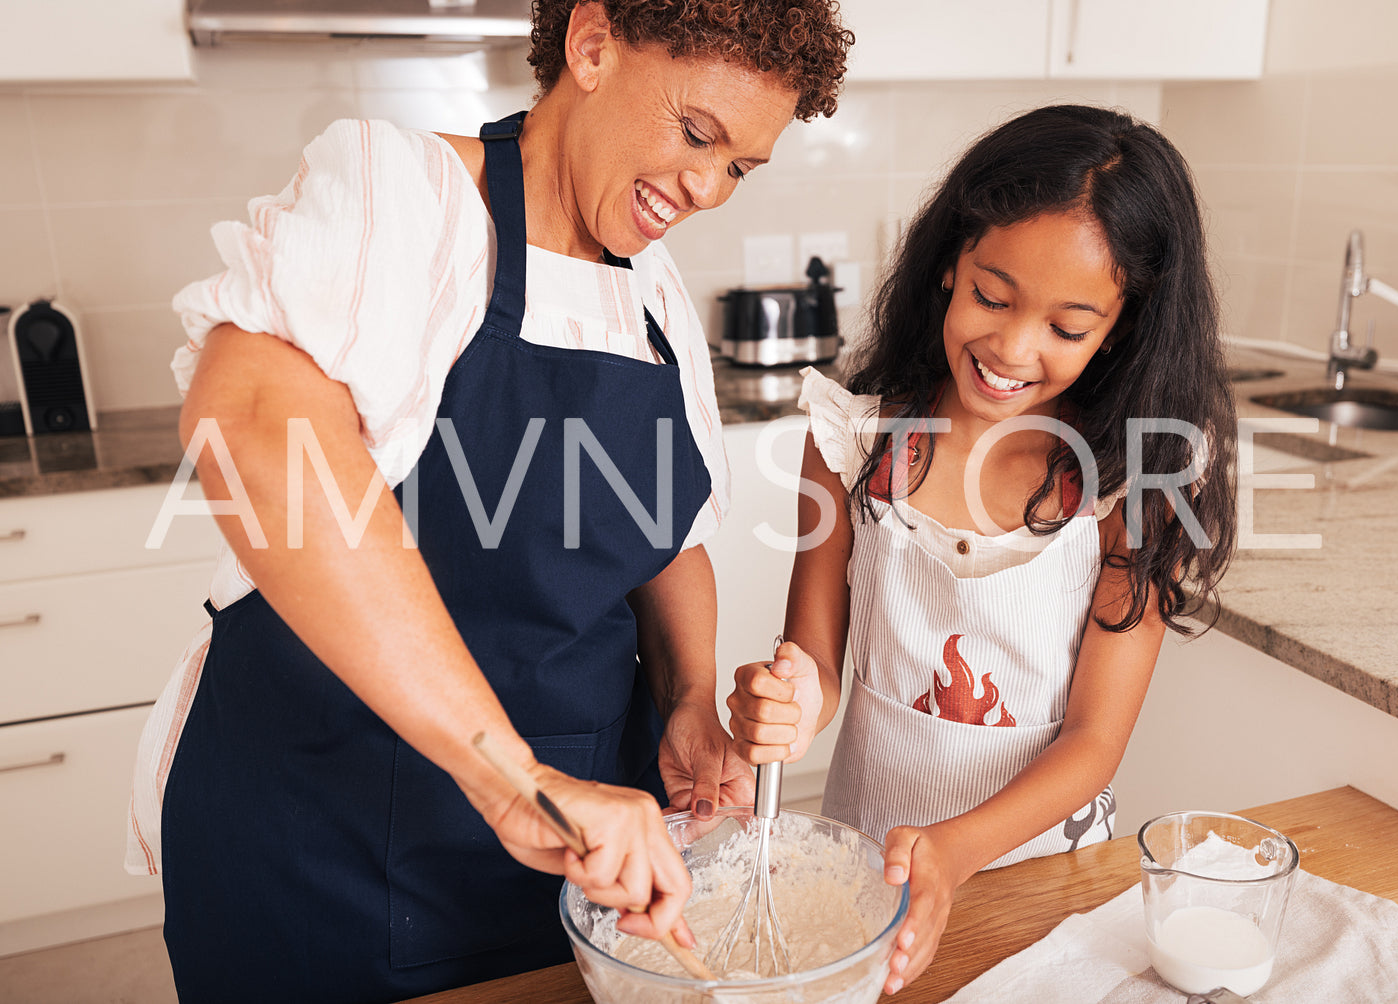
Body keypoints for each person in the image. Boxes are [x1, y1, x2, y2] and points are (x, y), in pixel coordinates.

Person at [123, 2, 852, 1000]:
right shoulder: (406, 193)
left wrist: (686, 700)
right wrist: (515, 778)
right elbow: (255, 426)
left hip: (578, 854)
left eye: (737, 167)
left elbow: (667, 539)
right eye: (695, 133)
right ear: (590, 46)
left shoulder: (651, 295)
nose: (704, 187)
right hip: (331, 847)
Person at [727, 104, 1239, 996]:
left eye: (1065, 327)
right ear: (948, 266)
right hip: (864, 863)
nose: (1009, 347)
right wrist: (787, 699)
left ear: (1122, 324)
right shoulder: (854, 436)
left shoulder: (1135, 482)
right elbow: (815, 654)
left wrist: (953, 855)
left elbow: (1093, 742)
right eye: (990, 297)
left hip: (1046, 876)